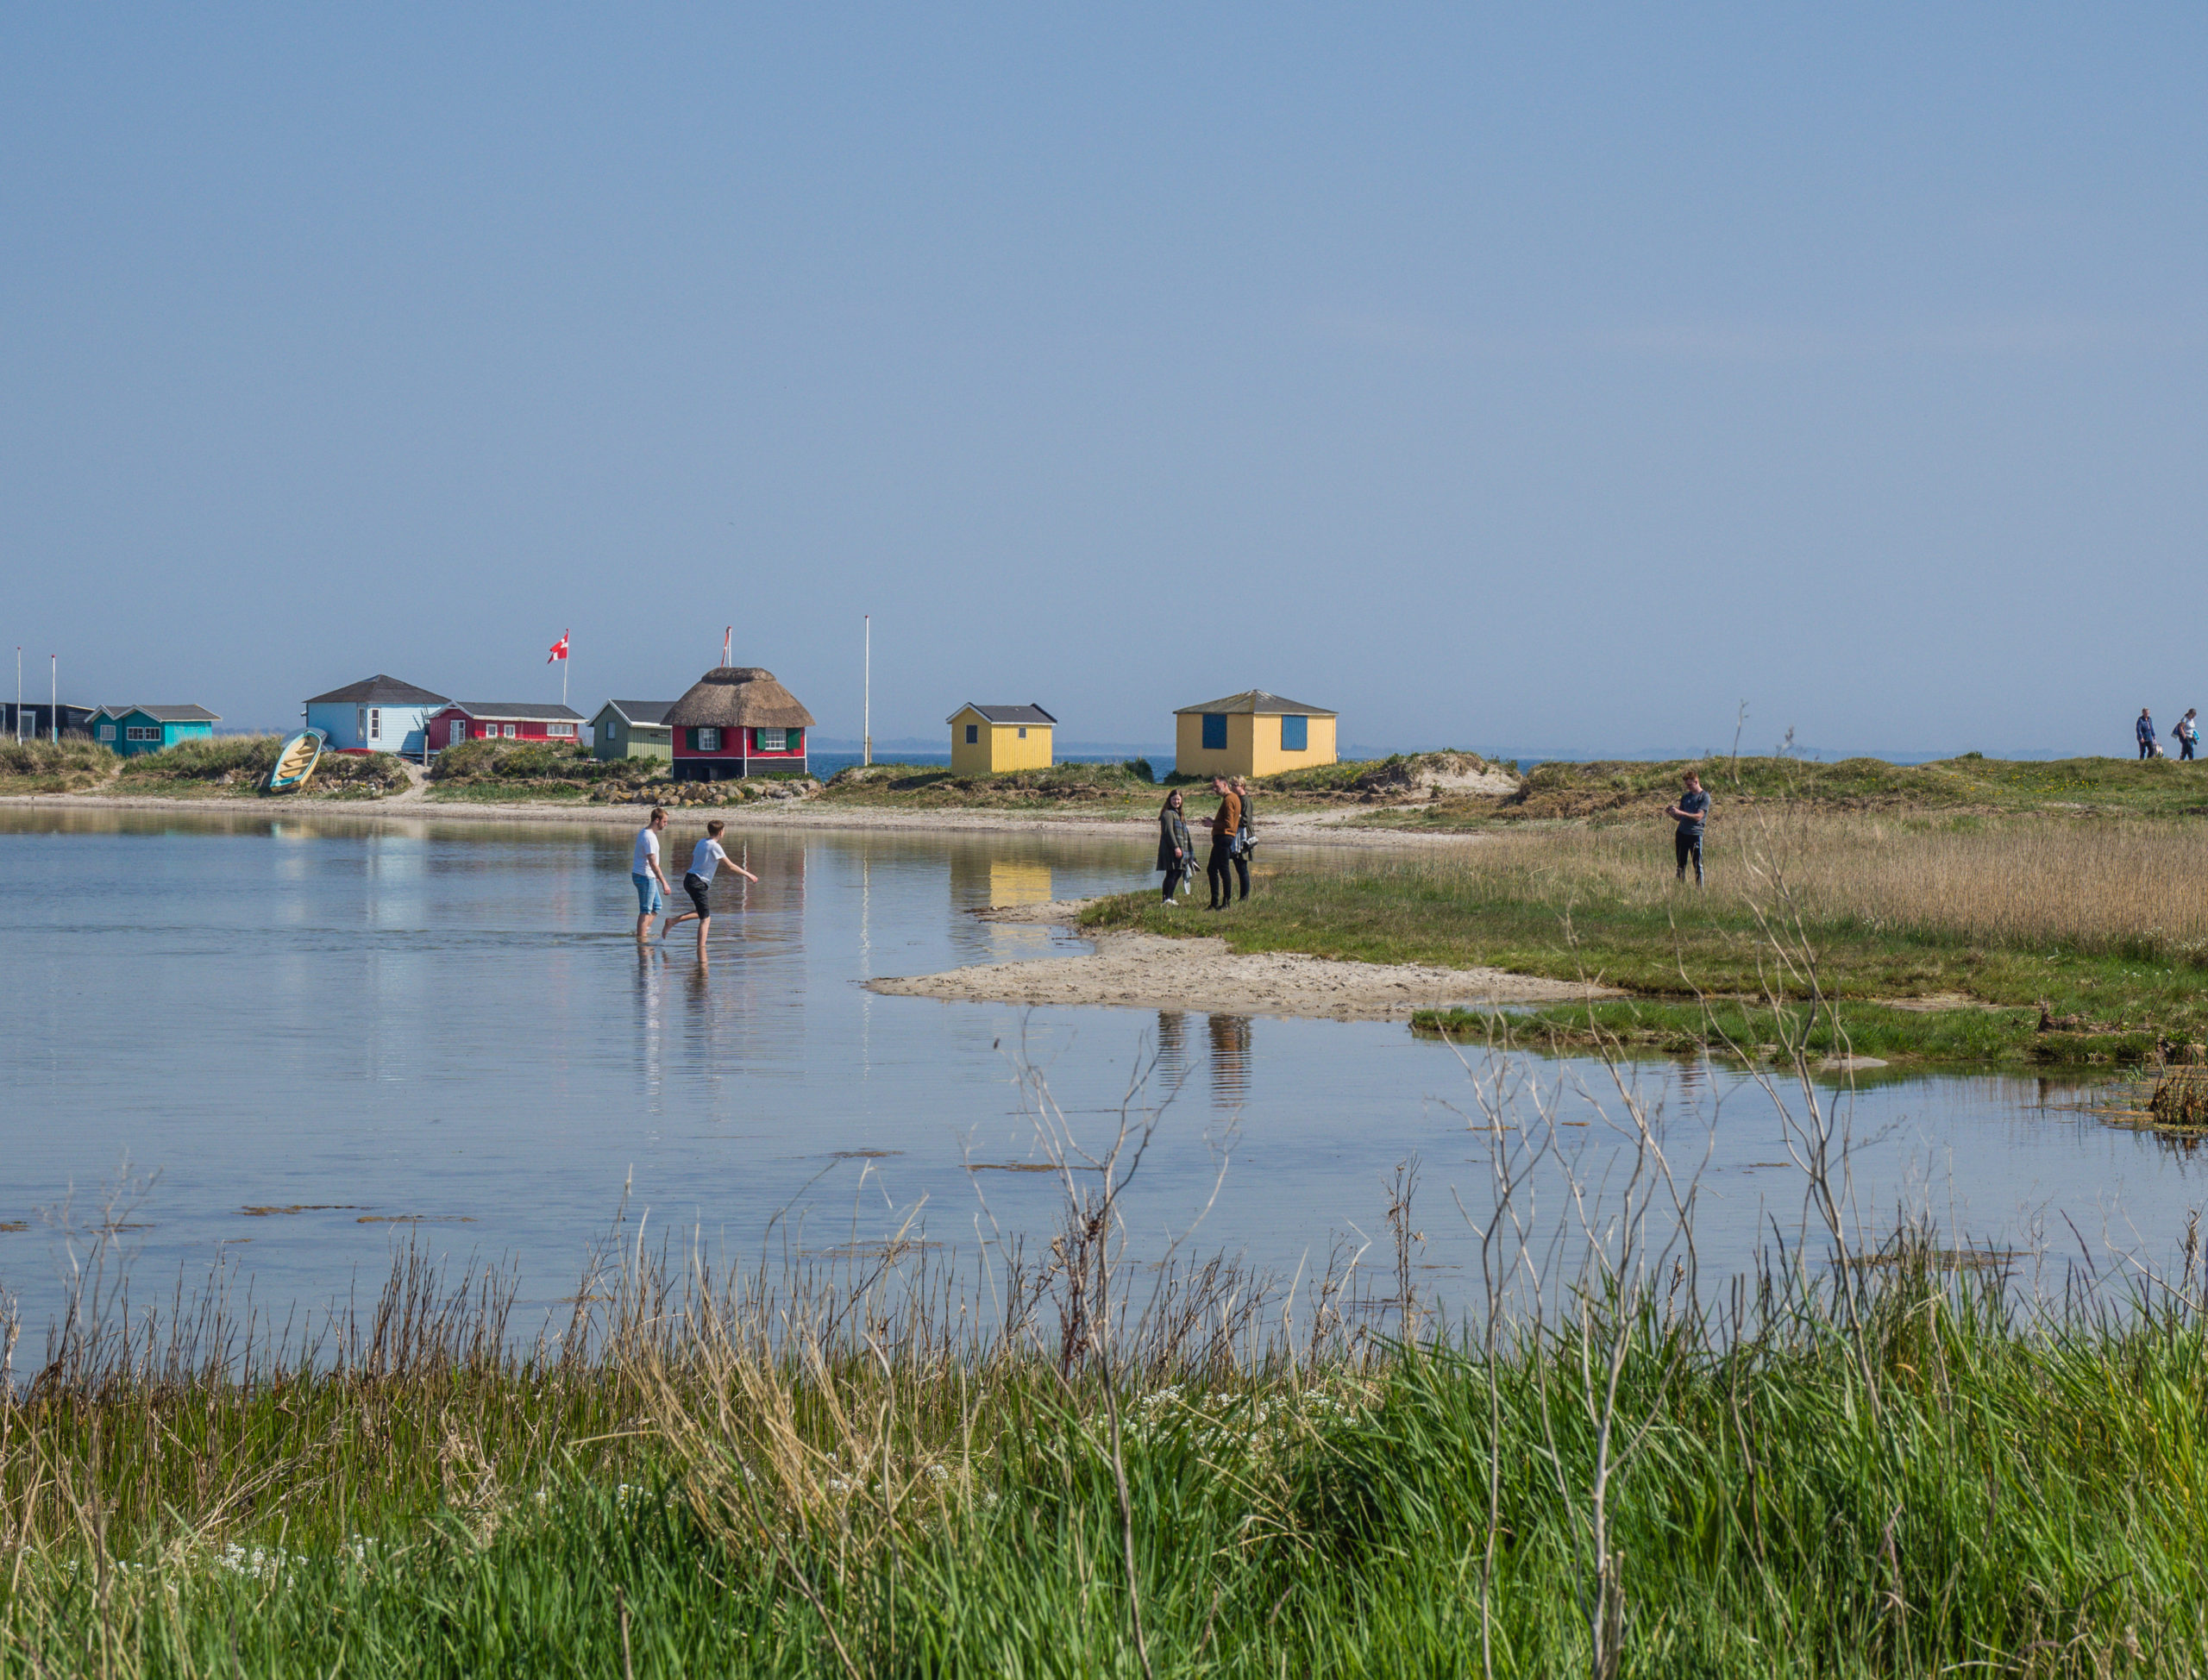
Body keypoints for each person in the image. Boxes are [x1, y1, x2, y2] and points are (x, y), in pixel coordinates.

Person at [661, 818, 759, 956]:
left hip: (689, 879)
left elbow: (696, 859)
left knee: (702, 912)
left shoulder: (701, 842)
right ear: (721, 832)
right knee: (706, 919)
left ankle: (672, 921)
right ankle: (701, 950)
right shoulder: (715, 846)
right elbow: (730, 866)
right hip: (697, 882)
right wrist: (748, 875)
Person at [630, 807, 673, 943]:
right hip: (645, 876)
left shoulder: (647, 833)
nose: (666, 824)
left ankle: (642, 931)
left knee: (657, 906)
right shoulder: (648, 837)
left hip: (645, 875)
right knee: (646, 909)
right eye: (664, 821)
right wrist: (664, 882)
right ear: (657, 820)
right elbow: (653, 863)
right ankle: (641, 940)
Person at [1666, 771, 1711, 887]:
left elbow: (1699, 817)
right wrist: (1672, 813)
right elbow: (1679, 818)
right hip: (1682, 833)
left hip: (1695, 834)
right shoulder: (1685, 797)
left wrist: (1681, 812)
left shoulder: (1704, 797)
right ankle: (1680, 888)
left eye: (1690, 785)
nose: (1688, 788)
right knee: (1681, 864)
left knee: (1697, 864)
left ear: (1696, 782)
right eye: (1687, 785)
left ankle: (1700, 890)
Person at [1205, 776, 1242, 910]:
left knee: (1222, 870)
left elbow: (1229, 823)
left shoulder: (1229, 800)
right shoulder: (1232, 798)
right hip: (1224, 837)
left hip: (1224, 837)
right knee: (1213, 869)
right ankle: (1216, 902)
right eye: (1213, 787)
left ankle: (1224, 903)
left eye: (1217, 787)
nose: (1215, 790)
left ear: (1225, 784)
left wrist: (1212, 824)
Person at [1157, 788, 1193, 906]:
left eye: (1178, 799)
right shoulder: (1168, 813)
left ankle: (1170, 898)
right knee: (1172, 873)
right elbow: (1168, 832)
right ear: (1169, 800)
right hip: (1170, 849)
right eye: (1174, 799)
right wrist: (1176, 847)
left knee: (1176, 873)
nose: (1176, 801)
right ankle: (1166, 899)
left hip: (1178, 849)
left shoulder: (1179, 814)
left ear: (1181, 801)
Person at [1230, 776, 1256, 902]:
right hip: (1236, 836)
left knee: (1242, 868)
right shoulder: (1237, 799)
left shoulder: (1245, 800)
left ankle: (1244, 897)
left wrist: (1231, 820)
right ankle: (1242, 896)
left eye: (1236, 785)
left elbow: (1245, 820)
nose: (1233, 787)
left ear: (1242, 786)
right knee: (1238, 866)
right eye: (1232, 785)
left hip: (1244, 838)